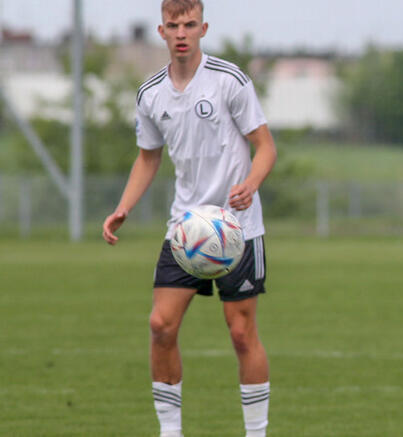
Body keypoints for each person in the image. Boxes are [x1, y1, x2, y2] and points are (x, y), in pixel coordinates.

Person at [101, 1, 277, 436]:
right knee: (160, 325)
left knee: (241, 334)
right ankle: (170, 432)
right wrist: (124, 207)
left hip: (237, 230)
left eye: (190, 24)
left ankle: (256, 433)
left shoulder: (229, 81)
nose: (182, 32)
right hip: (187, 230)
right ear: (161, 31)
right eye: (174, 25)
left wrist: (251, 183)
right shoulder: (150, 94)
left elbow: (266, 147)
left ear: (203, 28)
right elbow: (148, 158)